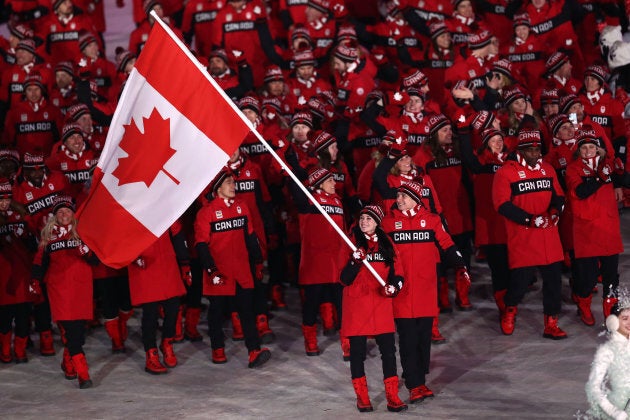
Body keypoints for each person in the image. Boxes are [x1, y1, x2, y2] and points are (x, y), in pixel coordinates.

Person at [381, 180, 470, 404]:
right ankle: (415, 384)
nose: (398, 199)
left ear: (415, 199)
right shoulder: (389, 223)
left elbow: (447, 244)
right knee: (408, 339)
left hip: (425, 291)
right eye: (398, 196)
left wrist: (461, 265)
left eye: (403, 196)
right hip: (402, 291)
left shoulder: (431, 220)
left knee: (422, 339)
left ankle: (417, 375)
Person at [492, 129, 567, 339]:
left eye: (537, 149)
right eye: (530, 150)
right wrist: (530, 219)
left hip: (548, 234)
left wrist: (554, 212)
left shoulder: (548, 169)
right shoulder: (506, 172)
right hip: (523, 234)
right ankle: (509, 309)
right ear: (521, 150)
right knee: (521, 282)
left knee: (553, 281)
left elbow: (559, 196)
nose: (535, 153)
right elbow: (501, 204)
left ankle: (551, 322)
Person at [194, 169, 271, 368]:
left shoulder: (242, 207)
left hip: (241, 270)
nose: (233, 186)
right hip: (219, 272)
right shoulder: (206, 213)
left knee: (247, 310)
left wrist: (257, 262)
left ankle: (254, 350)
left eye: (233, 182)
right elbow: (201, 245)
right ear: (218, 188)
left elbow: (250, 238)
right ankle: (217, 348)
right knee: (217, 311)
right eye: (229, 182)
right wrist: (211, 270)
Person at [340, 204, 407, 413]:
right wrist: (355, 261)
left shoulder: (387, 244)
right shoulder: (351, 243)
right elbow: (343, 279)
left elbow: (399, 275)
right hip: (357, 305)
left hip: (381, 305)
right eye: (362, 219)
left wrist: (394, 287)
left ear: (377, 222)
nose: (364, 222)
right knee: (357, 353)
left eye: (369, 219)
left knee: (388, 352)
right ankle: (362, 397)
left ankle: (392, 396)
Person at [30, 195, 95, 388]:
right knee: (72, 331)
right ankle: (83, 374)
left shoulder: (83, 232)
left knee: (79, 332)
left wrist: (88, 253)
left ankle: (68, 362)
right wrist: (35, 279)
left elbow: (95, 261)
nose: (64, 214)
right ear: (55, 216)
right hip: (59, 289)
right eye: (60, 212)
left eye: (67, 211)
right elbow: (39, 261)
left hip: (81, 287)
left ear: (73, 214)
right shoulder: (48, 236)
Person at [565, 127, 624, 325]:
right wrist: (600, 177)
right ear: (578, 151)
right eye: (584, 148)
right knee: (587, 278)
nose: (588, 151)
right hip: (587, 231)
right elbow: (580, 191)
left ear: (598, 149)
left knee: (611, 275)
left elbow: (623, 178)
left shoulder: (608, 164)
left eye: (592, 147)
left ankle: (611, 310)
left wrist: (619, 172)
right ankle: (584, 305)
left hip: (607, 228)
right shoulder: (573, 168)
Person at [127, 219, 189, 374]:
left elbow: (177, 234)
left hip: (167, 262)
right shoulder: (134, 211)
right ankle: (151, 354)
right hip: (146, 265)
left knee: (173, 308)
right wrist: (133, 256)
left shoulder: (164, 208)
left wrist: (185, 263)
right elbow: (124, 237)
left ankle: (167, 342)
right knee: (150, 313)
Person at [585, 290, 630, 419]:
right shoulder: (607, 350)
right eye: (625, 318)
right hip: (619, 409)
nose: (629, 322)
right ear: (614, 322)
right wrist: (613, 411)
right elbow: (593, 386)